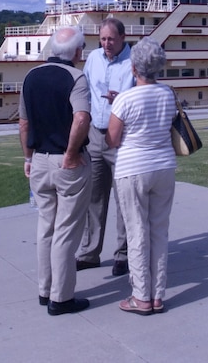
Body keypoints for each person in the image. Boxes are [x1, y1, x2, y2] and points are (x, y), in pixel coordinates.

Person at [19, 26, 93, 316]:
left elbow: (24, 123)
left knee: (45, 227)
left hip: (38, 159)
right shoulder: (76, 78)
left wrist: (27, 157)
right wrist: (73, 153)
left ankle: (44, 289)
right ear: (76, 52)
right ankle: (61, 298)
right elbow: (82, 117)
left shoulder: (30, 76)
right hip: (67, 163)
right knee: (66, 231)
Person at [106, 37, 177, 316]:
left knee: (136, 232)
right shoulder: (168, 94)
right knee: (159, 231)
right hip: (164, 166)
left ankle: (140, 297)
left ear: (134, 68)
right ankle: (157, 295)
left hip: (133, 168)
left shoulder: (124, 99)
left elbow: (113, 140)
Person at [76, 18, 135, 277]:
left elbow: (139, 96)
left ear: (122, 37)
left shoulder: (134, 61)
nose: (106, 44)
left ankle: (123, 255)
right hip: (95, 135)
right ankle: (90, 253)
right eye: (102, 39)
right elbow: (86, 90)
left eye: (111, 39)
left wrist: (119, 99)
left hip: (122, 138)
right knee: (94, 197)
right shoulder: (93, 59)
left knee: (124, 199)